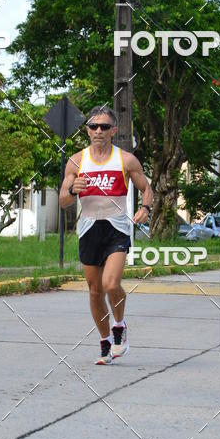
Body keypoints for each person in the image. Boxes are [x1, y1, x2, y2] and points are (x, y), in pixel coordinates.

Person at [59, 106, 154, 365]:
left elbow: (146, 188)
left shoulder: (125, 160)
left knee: (111, 284)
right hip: (89, 228)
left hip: (116, 228)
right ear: (87, 131)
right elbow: (63, 201)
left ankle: (120, 325)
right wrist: (72, 188)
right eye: (93, 126)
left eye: (103, 127)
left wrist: (146, 208)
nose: (98, 131)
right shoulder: (77, 161)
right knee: (94, 291)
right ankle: (104, 342)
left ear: (114, 131)